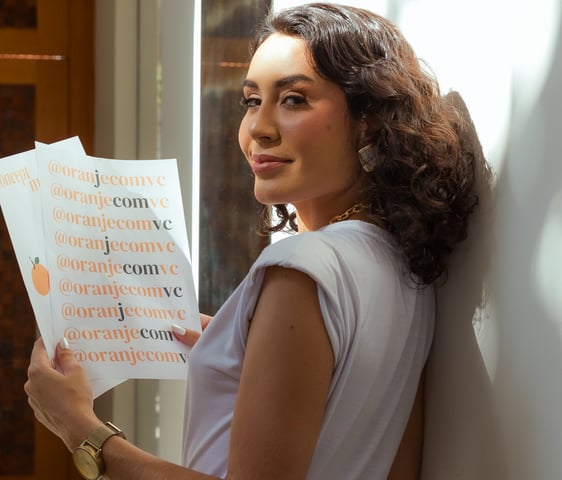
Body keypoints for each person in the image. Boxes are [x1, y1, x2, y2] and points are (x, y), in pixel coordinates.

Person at [24, 3, 479, 479]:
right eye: (251, 101)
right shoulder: (401, 267)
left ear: (369, 119)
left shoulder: (300, 267)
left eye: (294, 99)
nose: (258, 128)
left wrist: (81, 428)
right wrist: (245, 351)